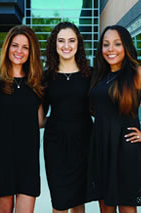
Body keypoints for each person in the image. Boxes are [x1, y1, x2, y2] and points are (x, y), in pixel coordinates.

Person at [87, 25, 141, 213]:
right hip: (101, 146)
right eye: (106, 44)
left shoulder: (138, 73)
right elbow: (98, 108)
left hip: (126, 148)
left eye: (117, 44)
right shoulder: (99, 75)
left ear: (126, 46)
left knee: (127, 206)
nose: (110, 49)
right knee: (105, 206)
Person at [0, 25, 44, 213]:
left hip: (28, 159)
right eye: (15, 45)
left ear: (31, 51)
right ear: (7, 47)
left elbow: (41, 120)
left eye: (25, 47)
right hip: (1, 157)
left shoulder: (38, 83)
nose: (19, 51)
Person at [42, 22, 93, 213]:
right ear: (54, 45)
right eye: (61, 41)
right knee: (60, 201)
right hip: (55, 144)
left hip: (84, 142)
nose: (66, 46)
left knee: (79, 201)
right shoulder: (45, 77)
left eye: (71, 41)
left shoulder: (91, 74)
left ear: (78, 44)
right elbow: (38, 116)